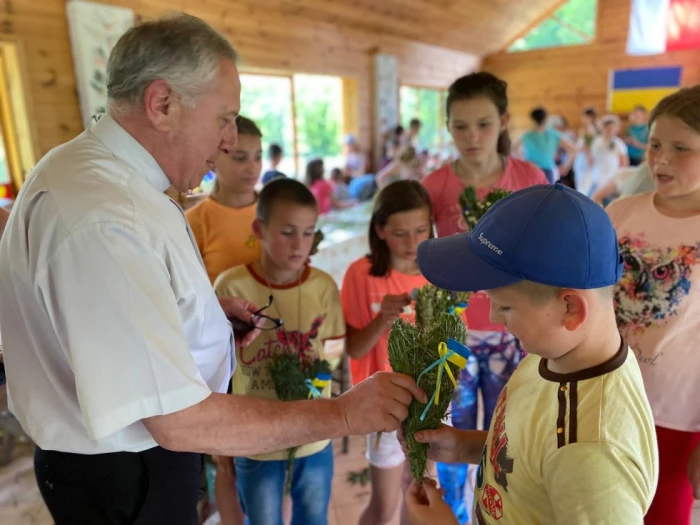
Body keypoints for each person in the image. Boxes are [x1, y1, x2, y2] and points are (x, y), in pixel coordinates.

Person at [0, 14, 426, 525]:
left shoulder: (100, 178)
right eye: (224, 118)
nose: (228, 141)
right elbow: (176, 421)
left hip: (131, 459)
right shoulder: (102, 218)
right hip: (124, 471)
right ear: (163, 104)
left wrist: (198, 316)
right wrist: (340, 413)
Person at [407, 184, 658, 524]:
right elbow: (532, 455)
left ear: (570, 307)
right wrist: (463, 446)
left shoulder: (591, 453)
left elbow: (562, 461)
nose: (495, 318)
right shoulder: (554, 354)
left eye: (505, 306)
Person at [421, 71, 548, 523]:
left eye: (483, 124)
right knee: (450, 433)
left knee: (505, 435)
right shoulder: (434, 186)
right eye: (459, 126)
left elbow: (544, 250)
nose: (471, 137)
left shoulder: (529, 177)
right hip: (452, 336)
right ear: (448, 125)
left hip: (514, 333)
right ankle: (453, 514)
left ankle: (499, 513)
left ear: (504, 121)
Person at [214, 179, 344, 525]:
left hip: (314, 437)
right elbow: (216, 366)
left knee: (313, 517)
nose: (299, 245)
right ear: (260, 228)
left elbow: (334, 350)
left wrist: (321, 375)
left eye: (308, 233)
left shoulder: (323, 286)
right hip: (255, 438)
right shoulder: (230, 287)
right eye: (288, 232)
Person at [606, 85, 700, 525]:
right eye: (655, 144)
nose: (661, 159)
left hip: (678, 414)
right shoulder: (620, 213)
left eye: (681, 148)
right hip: (604, 396)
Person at [342, 181, 433, 525]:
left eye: (420, 230)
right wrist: (383, 318)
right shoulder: (361, 275)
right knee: (383, 506)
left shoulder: (436, 273)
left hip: (428, 401)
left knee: (419, 495)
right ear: (379, 230)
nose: (411, 243)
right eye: (399, 233)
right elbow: (355, 347)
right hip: (383, 405)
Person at [186, 115, 262, 284]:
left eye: (258, 157)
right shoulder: (195, 222)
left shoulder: (277, 210)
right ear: (213, 159)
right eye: (240, 158)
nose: (253, 167)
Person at [514, 107, 575, 184]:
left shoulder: (528, 135)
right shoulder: (553, 134)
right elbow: (573, 149)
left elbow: (514, 147)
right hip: (545, 171)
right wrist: (566, 166)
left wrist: (523, 161)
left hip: (532, 169)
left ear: (532, 120)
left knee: (531, 195)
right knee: (547, 195)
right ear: (546, 119)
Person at [588, 115, 629, 196]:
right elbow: (591, 159)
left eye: (611, 129)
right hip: (597, 177)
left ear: (616, 130)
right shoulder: (597, 141)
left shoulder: (619, 143)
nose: (609, 131)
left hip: (612, 178)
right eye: (607, 128)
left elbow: (624, 163)